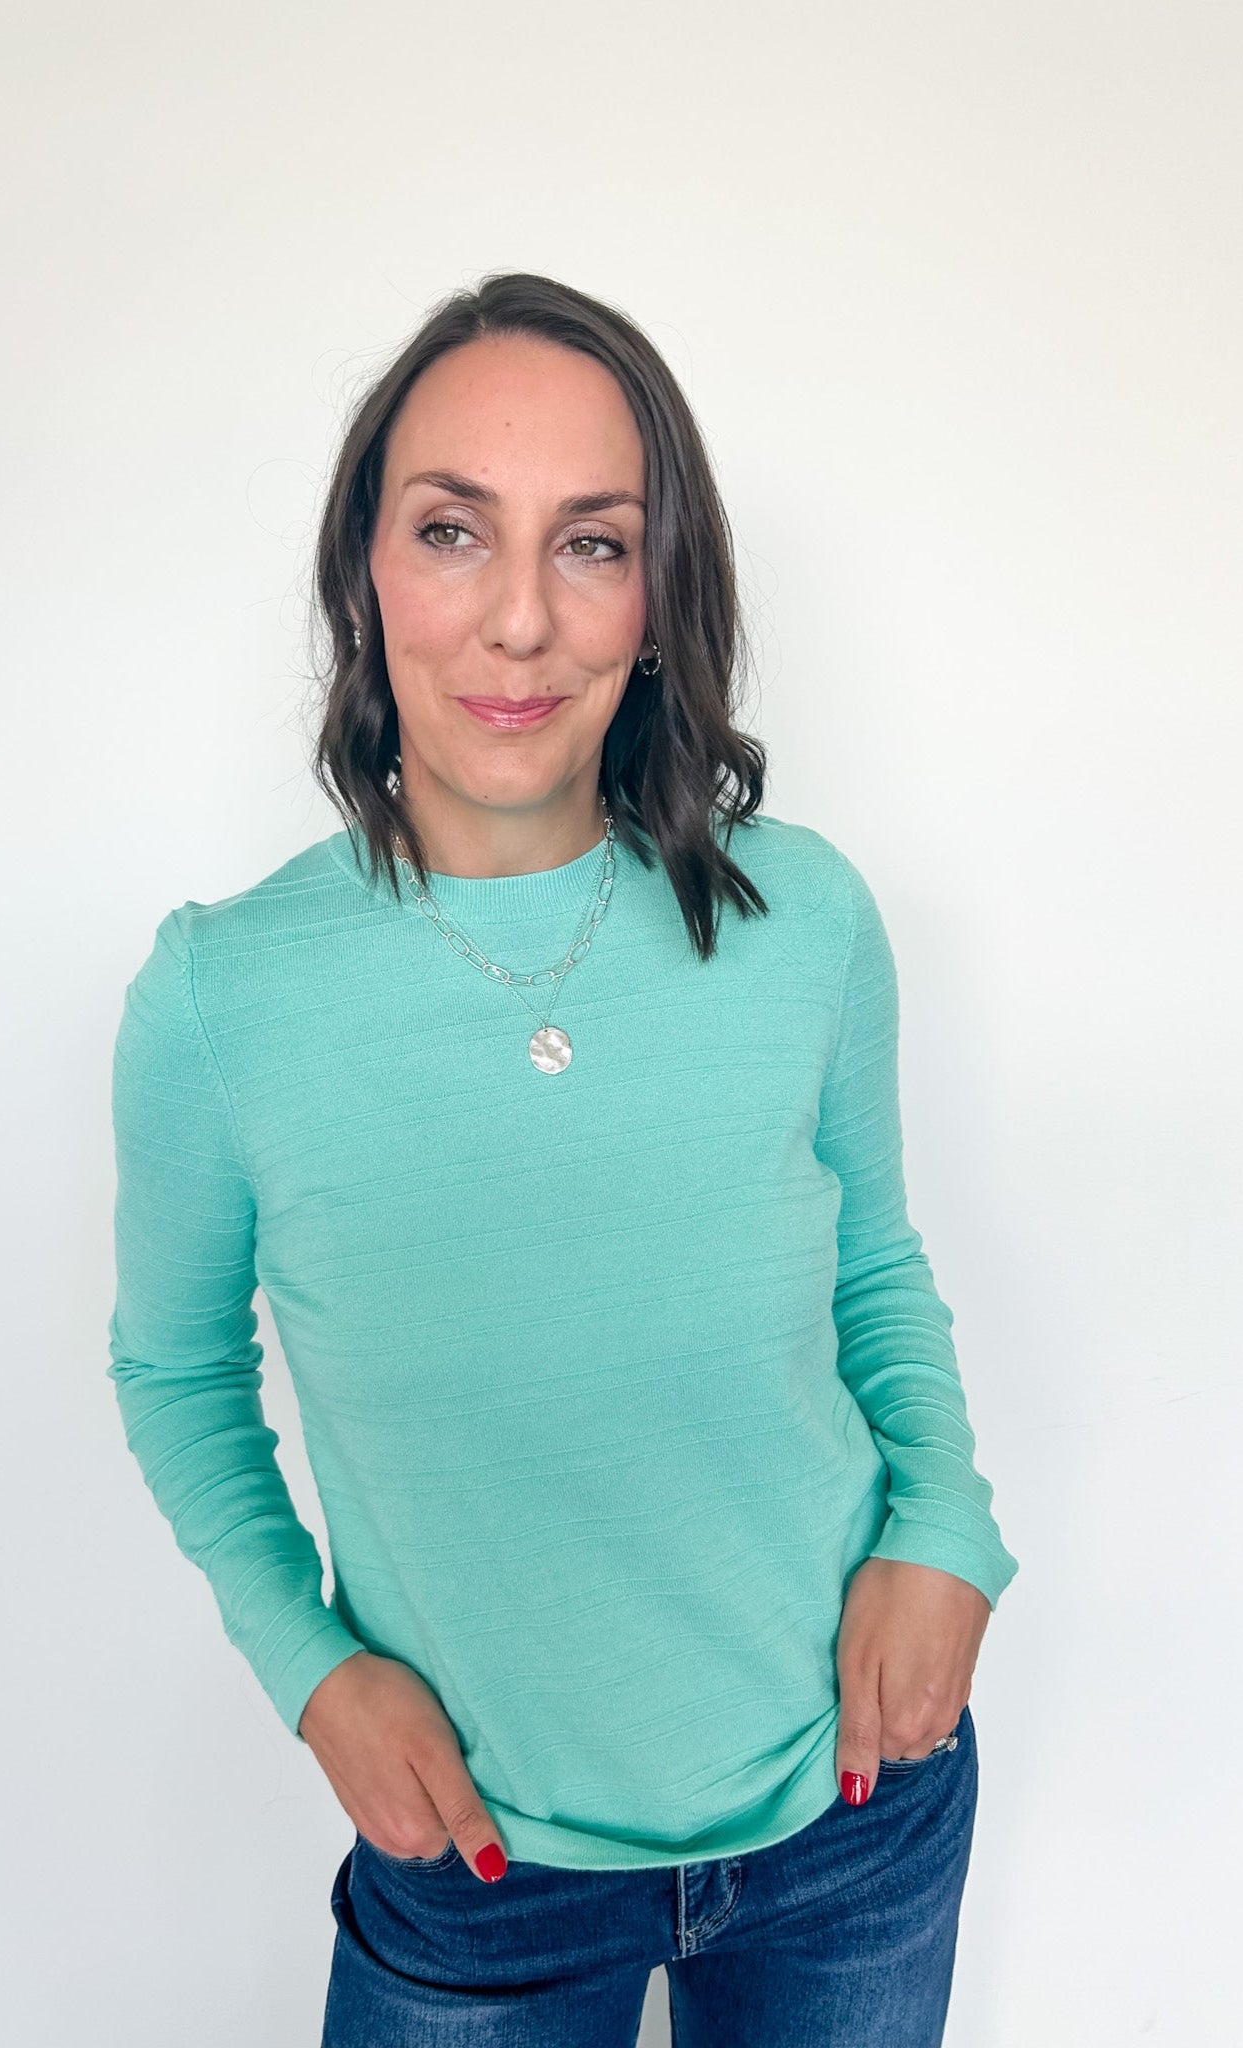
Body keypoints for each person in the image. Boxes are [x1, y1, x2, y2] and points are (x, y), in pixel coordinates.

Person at [107, 271, 1018, 2047]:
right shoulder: (222, 996)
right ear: (363, 574)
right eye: (453, 530)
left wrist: (945, 1525)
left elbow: (874, 1268)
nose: (518, 622)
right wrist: (314, 1673)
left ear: (661, 597)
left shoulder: (803, 919)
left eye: (592, 545)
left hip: (855, 1817)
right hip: (479, 1874)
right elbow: (172, 1368)